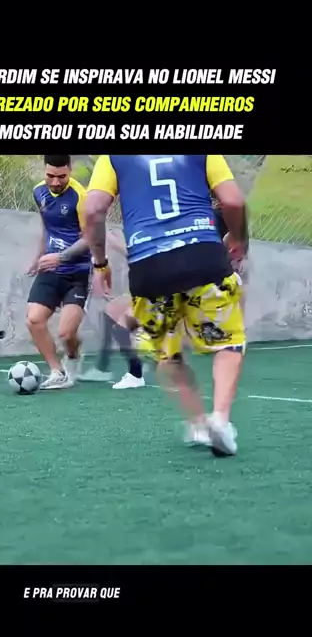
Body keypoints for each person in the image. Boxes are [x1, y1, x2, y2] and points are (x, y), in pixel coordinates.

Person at [83, 155, 248, 457]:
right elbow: (234, 201)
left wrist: (100, 262)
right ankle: (220, 419)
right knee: (229, 344)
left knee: (168, 355)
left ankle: (198, 423)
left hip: (149, 267)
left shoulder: (112, 156)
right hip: (203, 256)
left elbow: (93, 209)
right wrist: (239, 239)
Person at [27, 155, 91, 390]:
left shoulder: (81, 197)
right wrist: (38, 257)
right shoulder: (38, 192)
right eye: (50, 176)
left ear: (70, 170)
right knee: (34, 320)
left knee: (66, 334)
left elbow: (91, 238)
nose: (55, 182)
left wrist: (61, 257)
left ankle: (73, 354)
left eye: (61, 176)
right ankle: (57, 371)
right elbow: (47, 227)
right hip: (50, 269)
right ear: (44, 171)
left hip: (78, 272)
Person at [78, 227, 146, 389]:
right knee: (111, 311)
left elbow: (135, 254)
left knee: (121, 326)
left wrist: (111, 240)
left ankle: (137, 372)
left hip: (159, 287)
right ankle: (102, 367)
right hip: (146, 285)